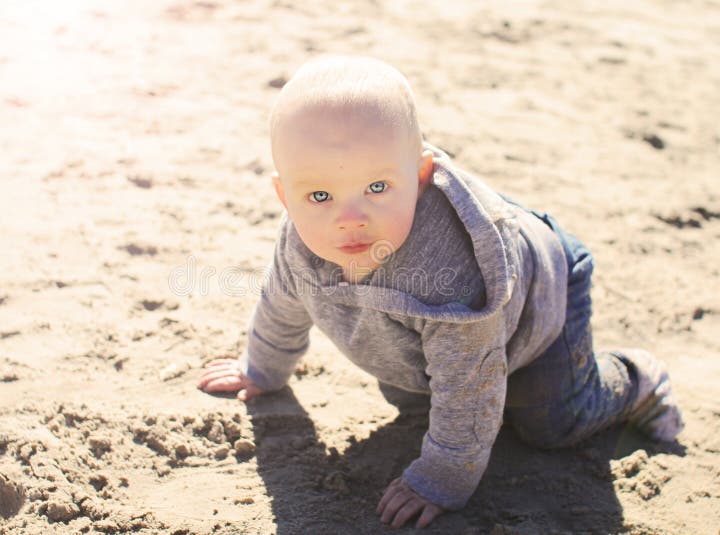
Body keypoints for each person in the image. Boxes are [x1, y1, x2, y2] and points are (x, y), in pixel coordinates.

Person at [196, 55, 684, 529]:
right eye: (319, 196)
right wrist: (262, 368)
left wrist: (440, 479)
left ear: (421, 175)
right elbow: (282, 305)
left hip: (542, 294)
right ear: (286, 197)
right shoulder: (301, 243)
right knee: (417, 399)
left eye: (377, 187)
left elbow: (468, 385)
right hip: (458, 338)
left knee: (552, 424)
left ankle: (638, 380)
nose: (349, 217)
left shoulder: (453, 277)